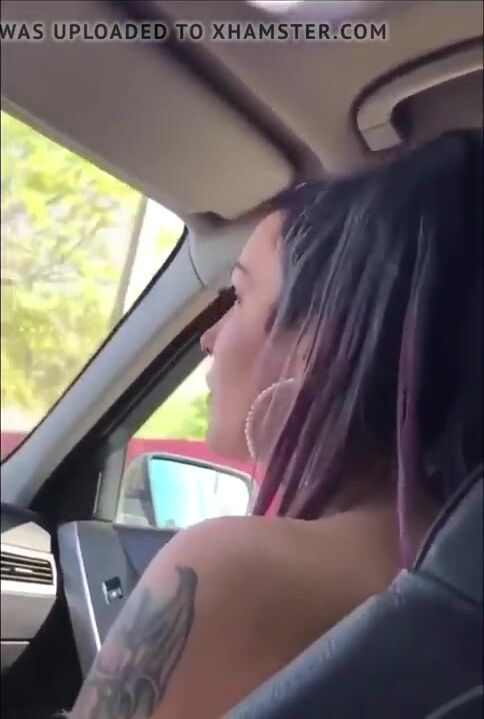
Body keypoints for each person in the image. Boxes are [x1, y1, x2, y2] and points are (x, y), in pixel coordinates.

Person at [69, 129, 482, 719]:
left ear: (321, 341)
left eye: (238, 296)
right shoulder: (447, 585)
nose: (209, 338)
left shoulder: (229, 571)